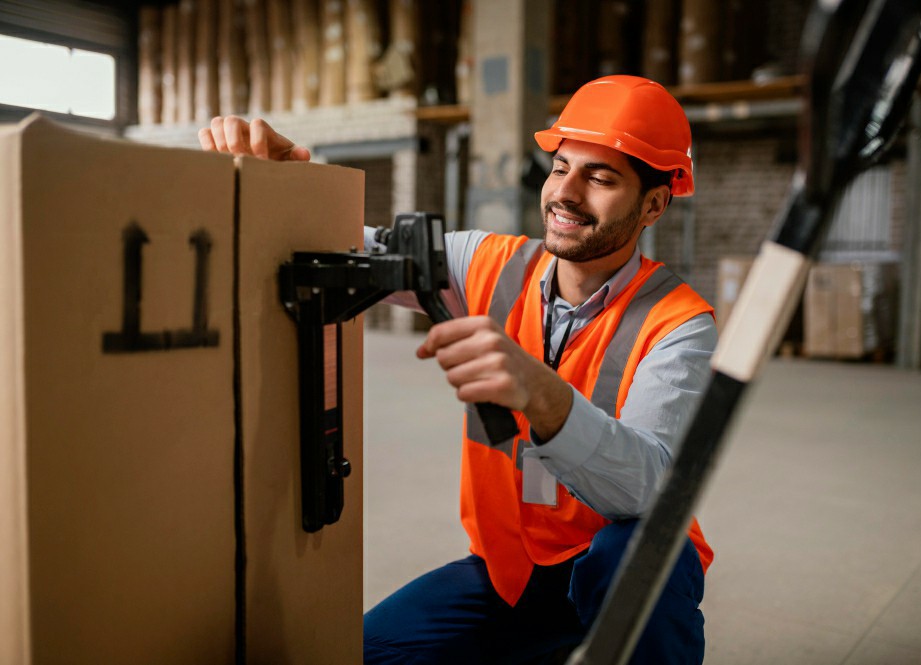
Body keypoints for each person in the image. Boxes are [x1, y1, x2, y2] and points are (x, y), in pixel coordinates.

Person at [200, 75, 717, 665]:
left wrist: (543, 394)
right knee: (368, 655)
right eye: (560, 167)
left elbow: (648, 488)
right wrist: (282, 184)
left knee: (636, 554)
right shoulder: (488, 262)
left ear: (654, 203)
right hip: (510, 574)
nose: (566, 193)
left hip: (614, 566)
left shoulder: (680, 326)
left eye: (600, 178)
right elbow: (351, 251)